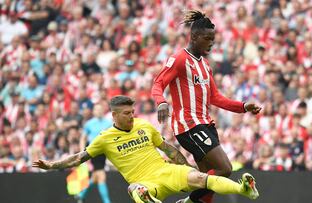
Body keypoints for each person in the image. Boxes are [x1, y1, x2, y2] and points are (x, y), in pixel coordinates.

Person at [32, 95, 259, 203]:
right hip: (147, 183)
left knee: (203, 179)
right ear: (114, 115)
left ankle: (243, 189)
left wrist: (187, 170)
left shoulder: (144, 125)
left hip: (166, 172)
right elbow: (79, 158)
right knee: (135, 189)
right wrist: (52, 165)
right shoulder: (104, 138)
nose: (132, 116)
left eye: (132, 112)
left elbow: (170, 151)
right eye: (126, 113)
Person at [151, 10, 262, 203]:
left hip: (205, 125)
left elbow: (216, 97)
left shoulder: (205, 64)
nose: (211, 42)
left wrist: (243, 106)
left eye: (213, 38)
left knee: (208, 185)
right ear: (194, 37)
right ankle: (186, 201)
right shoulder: (179, 59)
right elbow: (157, 84)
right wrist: (161, 102)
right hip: (189, 125)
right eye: (207, 38)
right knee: (225, 168)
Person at [78, 104, 113, 203]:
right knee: (101, 175)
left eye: (100, 109)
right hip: (94, 150)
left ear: (103, 110)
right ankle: (107, 201)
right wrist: (82, 151)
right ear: (93, 111)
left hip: (105, 150)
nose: (98, 111)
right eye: (96, 109)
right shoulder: (89, 123)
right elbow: (83, 138)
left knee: (95, 177)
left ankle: (81, 195)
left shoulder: (108, 123)